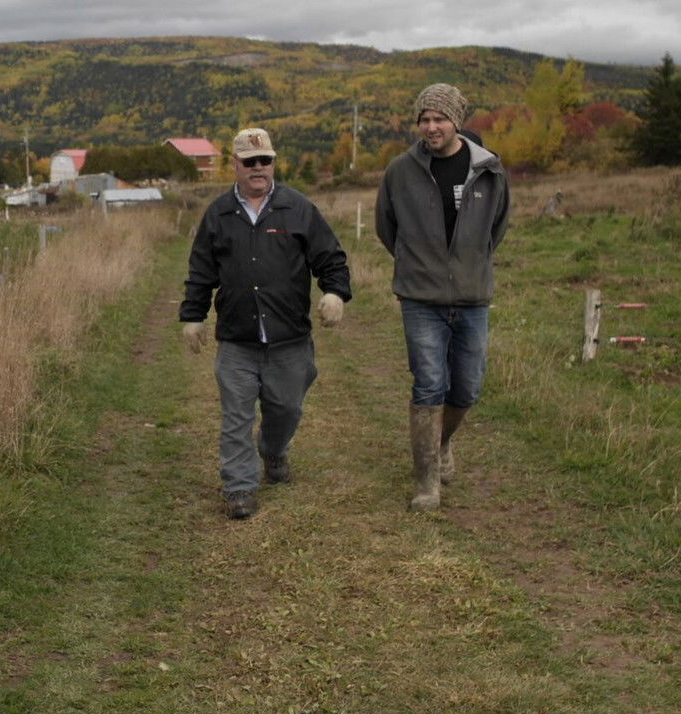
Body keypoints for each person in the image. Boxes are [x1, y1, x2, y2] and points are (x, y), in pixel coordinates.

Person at [180, 128, 352, 520]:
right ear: (235, 165)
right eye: (250, 161)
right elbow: (201, 270)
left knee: (286, 408)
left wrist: (335, 293)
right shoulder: (218, 214)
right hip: (237, 339)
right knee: (236, 417)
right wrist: (193, 316)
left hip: (289, 338)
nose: (258, 168)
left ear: (273, 162)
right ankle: (239, 487)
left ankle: (273, 451)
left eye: (265, 160)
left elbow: (331, 258)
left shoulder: (299, 207)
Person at [375, 83, 510, 511]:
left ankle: (442, 441)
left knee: (467, 388)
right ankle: (427, 482)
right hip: (420, 297)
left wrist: (468, 264)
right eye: (425, 119)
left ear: (457, 121)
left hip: (472, 296)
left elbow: (496, 228)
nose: (431, 127)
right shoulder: (400, 171)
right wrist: (417, 264)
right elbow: (386, 227)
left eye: (440, 119)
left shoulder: (488, 170)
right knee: (429, 383)